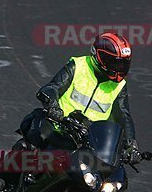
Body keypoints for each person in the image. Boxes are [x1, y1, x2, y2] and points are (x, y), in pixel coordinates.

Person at [19, 32, 143, 163]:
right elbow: (53, 87)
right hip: (58, 127)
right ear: (99, 57)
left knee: (111, 175)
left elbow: (123, 115)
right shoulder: (78, 66)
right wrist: (53, 106)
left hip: (90, 142)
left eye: (123, 64)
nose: (119, 69)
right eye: (115, 63)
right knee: (32, 145)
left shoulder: (119, 85)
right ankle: (7, 175)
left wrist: (130, 144)